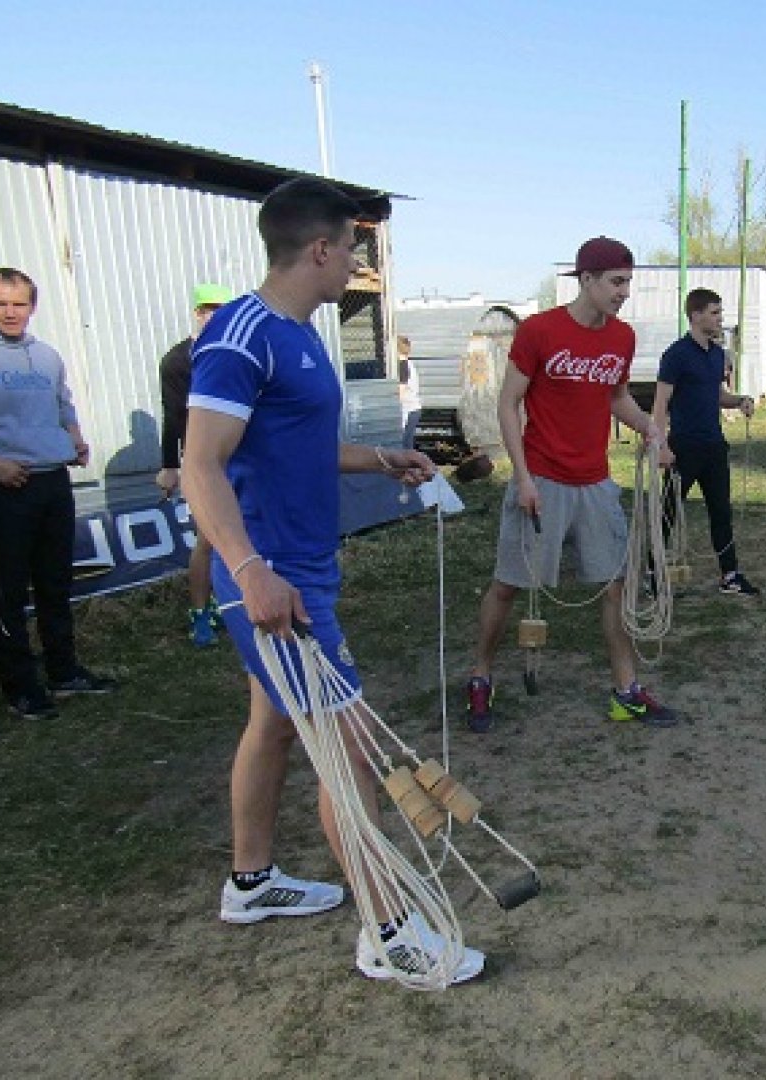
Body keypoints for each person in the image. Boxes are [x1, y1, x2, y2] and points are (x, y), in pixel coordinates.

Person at [181, 177, 483, 986]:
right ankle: (389, 932)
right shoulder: (239, 336)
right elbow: (201, 463)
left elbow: (294, 445)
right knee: (347, 751)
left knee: (275, 725)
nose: (357, 262)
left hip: (303, 569)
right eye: (352, 247)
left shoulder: (304, 336)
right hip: (275, 582)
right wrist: (251, 570)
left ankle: (251, 882)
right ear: (319, 249)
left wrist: (379, 458)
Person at [464, 236, 678, 734]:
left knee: (615, 586)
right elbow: (507, 404)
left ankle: (625, 691)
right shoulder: (540, 331)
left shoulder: (621, 338)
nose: (624, 292)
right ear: (587, 279)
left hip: (595, 482)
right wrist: (522, 478)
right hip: (541, 478)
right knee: (508, 585)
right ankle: (480, 675)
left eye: (628, 282)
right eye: (616, 282)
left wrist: (650, 429)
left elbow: (616, 397)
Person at [0, 268, 116, 718]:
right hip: (5, 484)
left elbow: (63, 403)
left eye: (20, 304)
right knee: (8, 590)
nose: (11, 313)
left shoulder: (46, 356)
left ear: (33, 306)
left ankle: (63, 670)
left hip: (54, 481)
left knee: (54, 581)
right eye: (0, 304)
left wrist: (74, 437)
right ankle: (21, 687)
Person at [651, 287, 760, 596]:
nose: (720, 318)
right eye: (715, 313)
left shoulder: (717, 354)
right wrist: (661, 446)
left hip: (714, 446)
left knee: (721, 512)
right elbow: (660, 403)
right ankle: (652, 573)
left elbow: (717, 394)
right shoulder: (676, 354)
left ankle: (730, 575)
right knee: (668, 512)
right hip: (683, 448)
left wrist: (740, 400)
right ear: (696, 315)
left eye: (720, 312)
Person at [156, 282, 232, 647]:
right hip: (204, 461)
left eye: (223, 309)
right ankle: (201, 613)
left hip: (242, 456)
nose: (216, 316)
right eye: (209, 309)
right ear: (198, 313)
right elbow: (172, 415)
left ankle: (235, 604)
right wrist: (170, 464)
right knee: (208, 539)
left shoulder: (236, 353)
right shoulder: (177, 360)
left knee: (247, 534)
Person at [396, 334, 422, 449]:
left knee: (405, 446)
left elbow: (401, 391)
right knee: (407, 444)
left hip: (409, 409)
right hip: (413, 408)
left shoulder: (403, 365)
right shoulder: (408, 363)